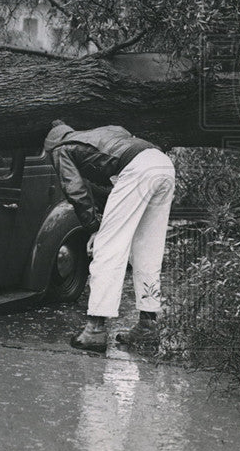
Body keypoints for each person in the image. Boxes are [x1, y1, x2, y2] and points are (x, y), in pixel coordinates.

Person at [43, 120, 176, 351]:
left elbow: (76, 191)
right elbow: (108, 183)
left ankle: (95, 329)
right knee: (147, 249)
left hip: (138, 169)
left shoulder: (60, 149)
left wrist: (95, 227)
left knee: (107, 248)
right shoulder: (101, 134)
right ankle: (148, 325)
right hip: (162, 165)